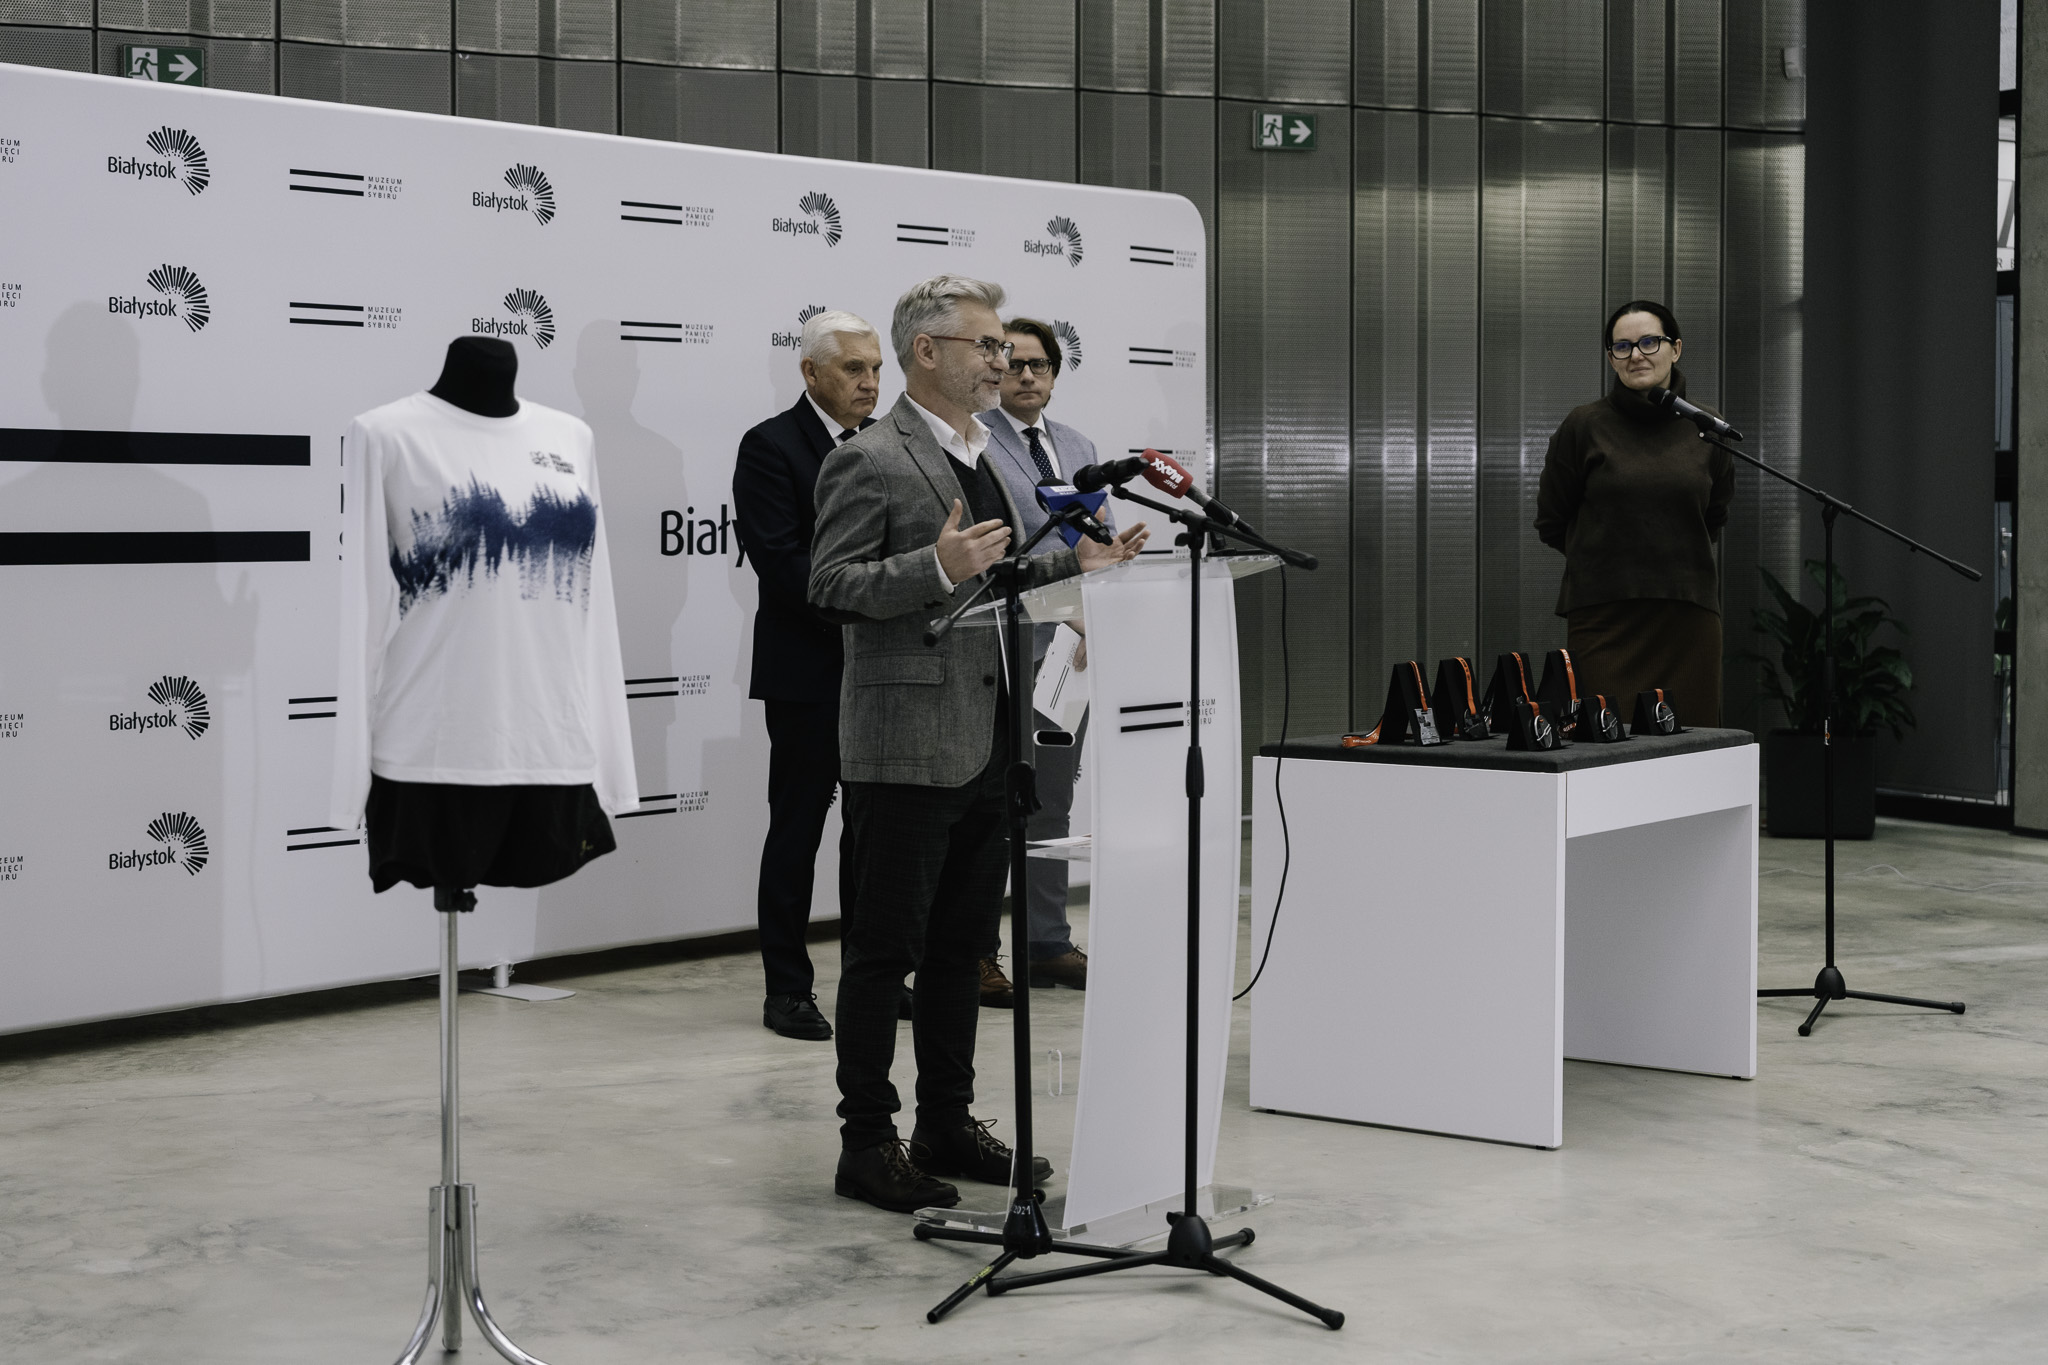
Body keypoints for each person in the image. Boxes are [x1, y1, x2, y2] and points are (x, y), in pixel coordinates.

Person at [809, 274, 1147, 1213]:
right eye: (986, 345)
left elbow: (1000, 576)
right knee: (883, 954)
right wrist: (933, 564)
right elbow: (829, 584)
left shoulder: (986, 455)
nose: (1001, 361)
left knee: (961, 950)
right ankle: (866, 1141)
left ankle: (946, 1121)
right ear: (928, 351)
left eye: (1004, 347)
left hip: (992, 740)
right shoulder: (870, 457)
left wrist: (1074, 561)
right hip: (906, 744)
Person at [732, 310, 882, 1041]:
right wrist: (870, 606)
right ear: (811, 372)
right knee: (797, 832)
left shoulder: (885, 445)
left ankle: (870, 980)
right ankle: (787, 989)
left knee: (872, 836)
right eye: (854, 369)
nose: (869, 382)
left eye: (876, 368)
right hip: (809, 672)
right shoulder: (770, 445)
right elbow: (782, 561)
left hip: (883, 672)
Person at [1535, 300, 1735, 725]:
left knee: (1692, 745)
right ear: (1611, 358)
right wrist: (1608, 558)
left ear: (1675, 349)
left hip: (1687, 616)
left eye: (1649, 342)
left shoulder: (1707, 427)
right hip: (1605, 617)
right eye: (1622, 347)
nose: (1636, 355)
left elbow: (1713, 517)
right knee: (1608, 744)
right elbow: (1552, 520)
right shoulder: (1584, 426)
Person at [980, 316, 1097, 995]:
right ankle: (977, 949)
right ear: (995, 368)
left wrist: (1095, 611)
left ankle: (1045, 941)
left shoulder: (1078, 445)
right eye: (1015, 362)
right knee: (993, 805)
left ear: (1055, 373)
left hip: (1071, 648)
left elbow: (1096, 542)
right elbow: (996, 551)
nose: (1027, 375)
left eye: (1040, 365)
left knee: (1053, 800)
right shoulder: (976, 442)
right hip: (1006, 643)